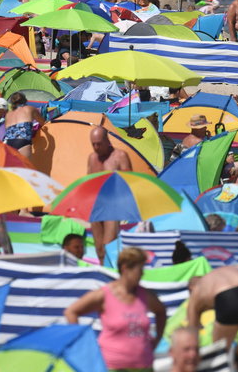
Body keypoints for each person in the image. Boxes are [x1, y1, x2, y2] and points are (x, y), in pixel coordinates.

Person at [65, 247, 166, 371]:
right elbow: (71, 311)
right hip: (113, 365)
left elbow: (161, 312)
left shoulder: (144, 295)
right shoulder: (105, 295)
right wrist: (81, 345)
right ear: (125, 269)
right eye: (139, 270)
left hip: (143, 365)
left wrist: (157, 340)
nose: (142, 274)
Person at [88, 126, 131, 263]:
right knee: (99, 249)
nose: (96, 147)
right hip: (96, 206)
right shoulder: (92, 158)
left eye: (99, 143)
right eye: (93, 144)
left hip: (113, 206)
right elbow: (88, 182)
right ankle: (103, 276)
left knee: (109, 246)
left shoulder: (119, 157)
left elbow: (129, 182)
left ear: (107, 140)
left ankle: (112, 274)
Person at [3, 92, 44, 157]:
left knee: (14, 166)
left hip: (9, 142)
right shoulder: (30, 109)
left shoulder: (8, 115)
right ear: (25, 100)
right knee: (25, 166)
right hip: (22, 141)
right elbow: (43, 122)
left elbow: (8, 130)